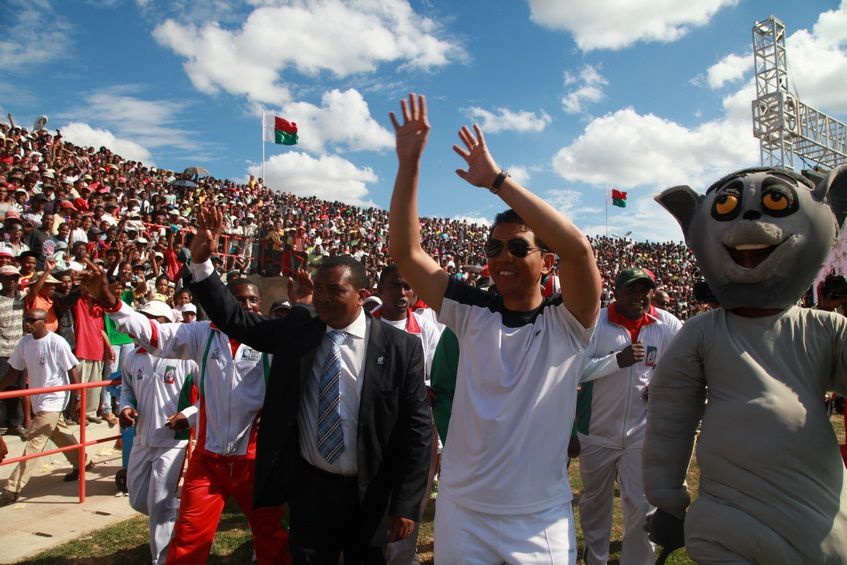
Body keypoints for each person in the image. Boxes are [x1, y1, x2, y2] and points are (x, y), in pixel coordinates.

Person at [388, 93, 600, 563]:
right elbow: (406, 252)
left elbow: (580, 249)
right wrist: (408, 164)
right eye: (493, 248)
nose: (503, 257)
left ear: (547, 261)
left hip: (539, 515)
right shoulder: (470, 308)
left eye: (519, 248)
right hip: (464, 511)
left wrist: (498, 182)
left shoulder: (569, 319)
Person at [184, 207, 432, 564]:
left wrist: (407, 503)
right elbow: (238, 321)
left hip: (371, 493)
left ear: (360, 294)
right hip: (311, 490)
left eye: (335, 290)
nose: (324, 298)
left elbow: (417, 430)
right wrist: (203, 265)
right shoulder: (299, 330)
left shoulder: (401, 348)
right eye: (319, 289)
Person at [82, 264, 290, 565]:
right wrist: (112, 304)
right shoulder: (201, 335)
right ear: (224, 303)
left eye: (253, 300)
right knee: (188, 539)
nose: (247, 306)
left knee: (270, 536)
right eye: (239, 300)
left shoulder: (270, 339)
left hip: (254, 462)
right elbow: (152, 333)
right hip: (209, 462)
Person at [576, 268, 682, 565]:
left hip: (642, 434)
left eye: (644, 290)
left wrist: (661, 382)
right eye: (631, 290)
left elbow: (684, 361)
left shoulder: (667, 323)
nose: (639, 297)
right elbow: (576, 368)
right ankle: (595, 559)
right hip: (596, 432)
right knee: (595, 505)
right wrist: (616, 361)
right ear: (617, 291)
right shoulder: (596, 321)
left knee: (642, 506)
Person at [119, 300, 198, 565]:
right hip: (142, 439)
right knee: (139, 499)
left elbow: (211, 396)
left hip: (172, 441)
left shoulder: (186, 358)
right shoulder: (133, 356)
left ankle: (162, 559)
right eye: (143, 318)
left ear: (166, 325)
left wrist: (187, 416)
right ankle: (179, 510)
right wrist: (126, 407)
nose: (145, 325)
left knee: (158, 504)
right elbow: (126, 390)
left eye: (152, 319)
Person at [373, 264, 442, 565]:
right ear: (380, 290)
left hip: (416, 428)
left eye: (407, 287)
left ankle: (402, 557)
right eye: (394, 286)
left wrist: (422, 387)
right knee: (374, 495)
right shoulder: (364, 325)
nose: (401, 293)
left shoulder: (427, 328)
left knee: (412, 496)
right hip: (373, 427)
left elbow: (437, 377)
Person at [0, 308, 91, 506]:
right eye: (26, 319)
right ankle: (82, 462)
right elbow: (14, 370)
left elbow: (71, 369)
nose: (27, 323)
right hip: (37, 399)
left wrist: (77, 397)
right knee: (58, 432)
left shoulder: (57, 342)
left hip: (55, 397)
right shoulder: (24, 342)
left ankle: (12, 489)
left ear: (44, 322)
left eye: (32, 320)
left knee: (35, 440)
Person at [0, 265, 25, 437]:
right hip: (2, 352)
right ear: (1, 280)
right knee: (2, 389)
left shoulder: (22, 298)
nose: (12, 281)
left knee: (18, 390)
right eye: (8, 278)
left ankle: (15, 424)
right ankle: (1, 425)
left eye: (15, 278)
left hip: (20, 352)